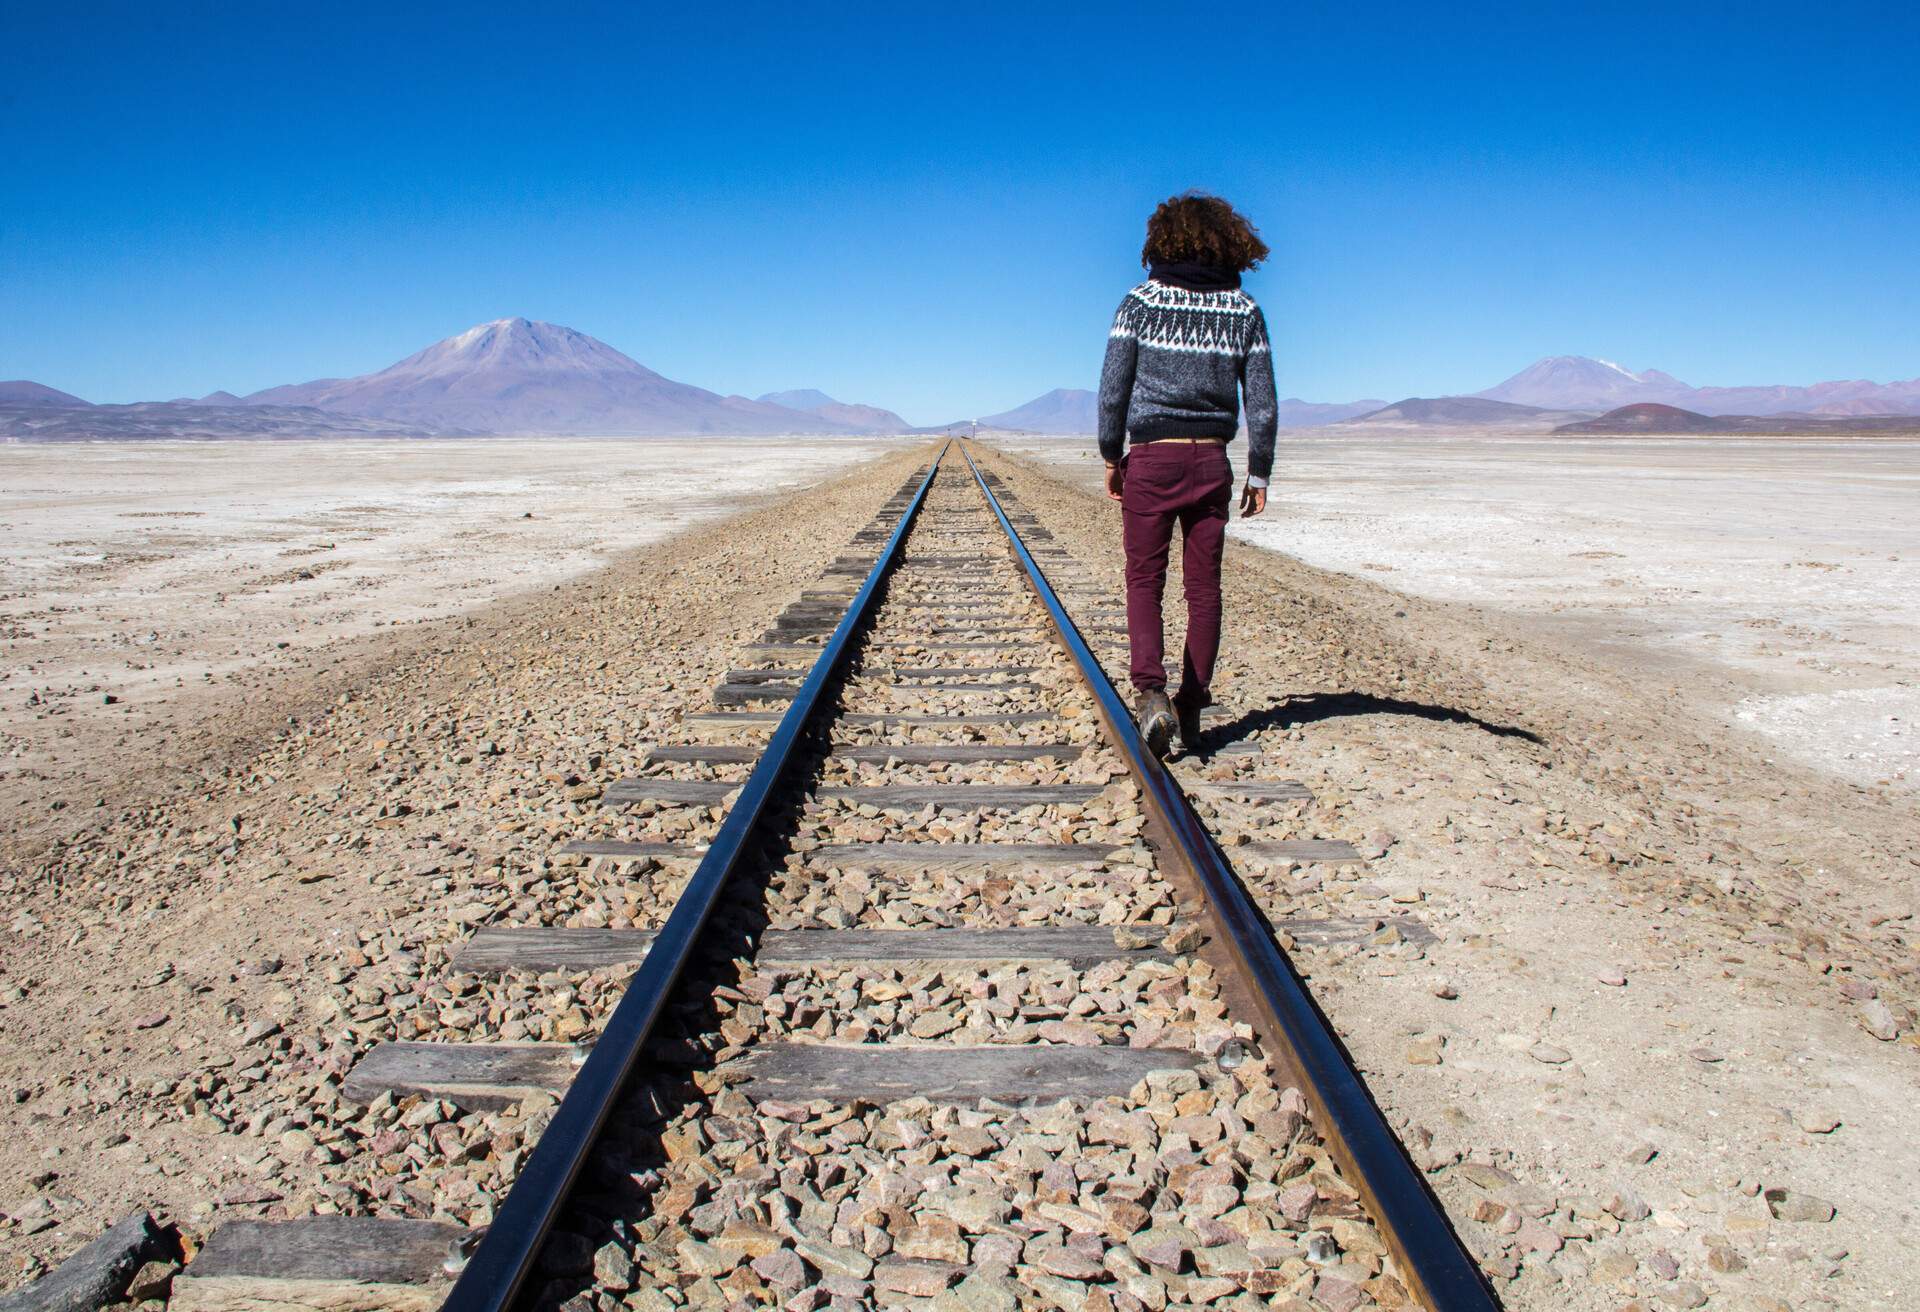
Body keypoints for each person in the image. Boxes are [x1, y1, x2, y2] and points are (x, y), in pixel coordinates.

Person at [1097, 192, 1276, 759]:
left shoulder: (1140, 302)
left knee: (1144, 580)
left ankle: (1152, 695)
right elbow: (1263, 403)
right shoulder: (1243, 310)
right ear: (1228, 242)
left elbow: (1113, 390)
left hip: (1152, 456)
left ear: (1162, 239)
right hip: (1211, 461)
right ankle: (1193, 706)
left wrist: (1110, 454)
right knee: (1204, 588)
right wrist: (1259, 472)